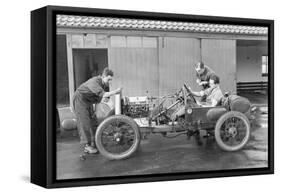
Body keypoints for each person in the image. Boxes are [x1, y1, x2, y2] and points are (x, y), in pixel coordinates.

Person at [72, 68, 122, 154]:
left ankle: (95, 141)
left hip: (88, 101)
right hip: (80, 100)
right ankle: (87, 146)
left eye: (111, 80)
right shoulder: (94, 82)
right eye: (108, 79)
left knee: (93, 121)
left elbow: (101, 97)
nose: (109, 82)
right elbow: (105, 94)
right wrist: (116, 91)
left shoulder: (103, 84)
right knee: (85, 122)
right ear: (103, 76)